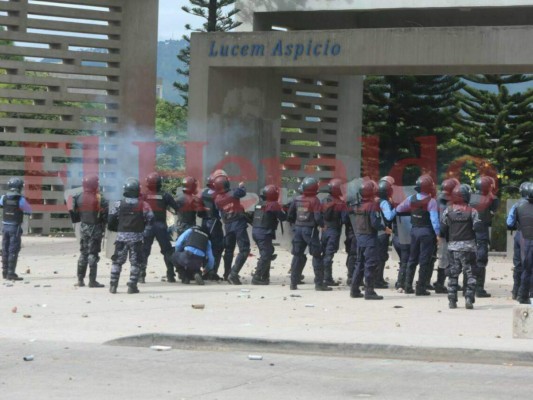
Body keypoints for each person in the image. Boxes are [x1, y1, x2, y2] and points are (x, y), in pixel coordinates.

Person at [107, 178, 154, 294]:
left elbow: (111, 220)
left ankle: (113, 285)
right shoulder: (144, 205)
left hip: (121, 237)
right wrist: (145, 231)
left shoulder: (118, 204)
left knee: (117, 261)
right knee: (136, 262)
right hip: (137, 238)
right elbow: (151, 219)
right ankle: (132, 286)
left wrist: (115, 229)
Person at [395, 174, 440, 296]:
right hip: (426, 232)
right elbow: (434, 220)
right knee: (425, 260)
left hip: (414, 232)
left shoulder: (411, 199)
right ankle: (420, 288)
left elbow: (399, 209)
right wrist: (438, 234)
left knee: (412, 258)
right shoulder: (431, 201)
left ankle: (407, 286)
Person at [440, 184, 482, 309]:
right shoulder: (472, 211)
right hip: (469, 248)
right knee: (471, 274)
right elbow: (478, 228)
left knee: (452, 274)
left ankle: (452, 300)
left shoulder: (448, 211)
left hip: (453, 248)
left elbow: (443, 229)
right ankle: (469, 298)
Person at [287, 176, 331, 291]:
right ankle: (319, 284)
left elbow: (290, 215)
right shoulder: (315, 200)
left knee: (297, 255)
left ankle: (293, 283)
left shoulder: (297, 199)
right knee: (317, 255)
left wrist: (296, 224)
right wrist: (322, 225)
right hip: (310, 231)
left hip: (298, 230)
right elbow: (317, 217)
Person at [140, 172, 180, 284]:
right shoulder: (165, 195)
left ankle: (141, 275)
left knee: (144, 251)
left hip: (147, 226)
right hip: (161, 227)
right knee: (167, 251)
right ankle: (171, 275)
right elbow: (177, 208)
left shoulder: (143, 195)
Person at [69, 175, 108, 288]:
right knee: (93, 254)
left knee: (83, 253)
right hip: (96, 228)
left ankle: (80, 280)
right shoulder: (100, 198)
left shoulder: (77, 197)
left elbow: (75, 217)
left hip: (83, 228)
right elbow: (106, 216)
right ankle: (92, 281)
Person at [349, 179, 384, 300]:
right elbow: (375, 223)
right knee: (370, 265)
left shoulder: (357, 205)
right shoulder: (373, 205)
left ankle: (354, 290)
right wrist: (384, 227)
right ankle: (369, 291)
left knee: (359, 264)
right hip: (370, 239)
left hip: (360, 237)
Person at [213, 175, 250, 284]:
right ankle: (233, 274)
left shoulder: (217, 200)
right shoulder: (233, 193)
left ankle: (226, 274)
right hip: (238, 224)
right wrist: (242, 186)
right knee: (244, 250)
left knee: (229, 250)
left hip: (228, 226)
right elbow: (242, 192)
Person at [469, 176, 499, 297]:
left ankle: (468, 288)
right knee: (481, 260)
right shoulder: (492, 199)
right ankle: (479, 289)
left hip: (468, 232)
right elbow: (493, 211)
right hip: (482, 232)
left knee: (469, 260)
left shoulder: (468, 198)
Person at [251, 184, 286, 285]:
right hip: (264, 233)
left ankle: (265, 276)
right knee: (266, 255)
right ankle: (257, 277)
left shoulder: (260, 203)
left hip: (256, 232)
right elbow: (283, 217)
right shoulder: (273, 204)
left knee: (268, 252)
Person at [1, 177, 32, 281]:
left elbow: (2, 204)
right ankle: (11, 273)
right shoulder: (21, 199)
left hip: (4, 227)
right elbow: (29, 210)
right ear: (19, 187)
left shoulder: (4, 197)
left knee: (5, 249)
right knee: (13, 249)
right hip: (15, 228)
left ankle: (4, 272)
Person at [433, 178, 460, 294]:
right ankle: (440, 284)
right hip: (448, 234)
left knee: (447, 259)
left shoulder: (438, 199)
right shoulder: (449, 202)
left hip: (443, 233)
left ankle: (447, 282)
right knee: (448, 259)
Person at [507, 182, 533, 302]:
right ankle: (530, 292)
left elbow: (509, 223)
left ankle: (516, 291)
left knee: (518, 264)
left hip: (520, 235)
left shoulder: (517, 205)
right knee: (529, 265)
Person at [320, 178, 347, 287]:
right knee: (329, 255)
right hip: (334, 231)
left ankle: (321, 276)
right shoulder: (340, 203)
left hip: (324, 230)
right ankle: (328, 279)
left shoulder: (323, 200)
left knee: (324, 253)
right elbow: (344, 219)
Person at [200, 172, 226, 280]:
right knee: (217, 248)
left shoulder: (204, 193)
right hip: (214, 224)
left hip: (204, 223)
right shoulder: (218, 196)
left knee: (205, 248)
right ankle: (212, 272)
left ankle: (205, 270)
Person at [376, 176, 395, 288]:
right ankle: (378, 280)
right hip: (383, 232)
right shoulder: (384, 203)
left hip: (375, 232)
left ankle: (378, 278)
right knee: (381, 256)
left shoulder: (375, 200)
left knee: (377, 256)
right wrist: (396, 209)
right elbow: (389, 216)